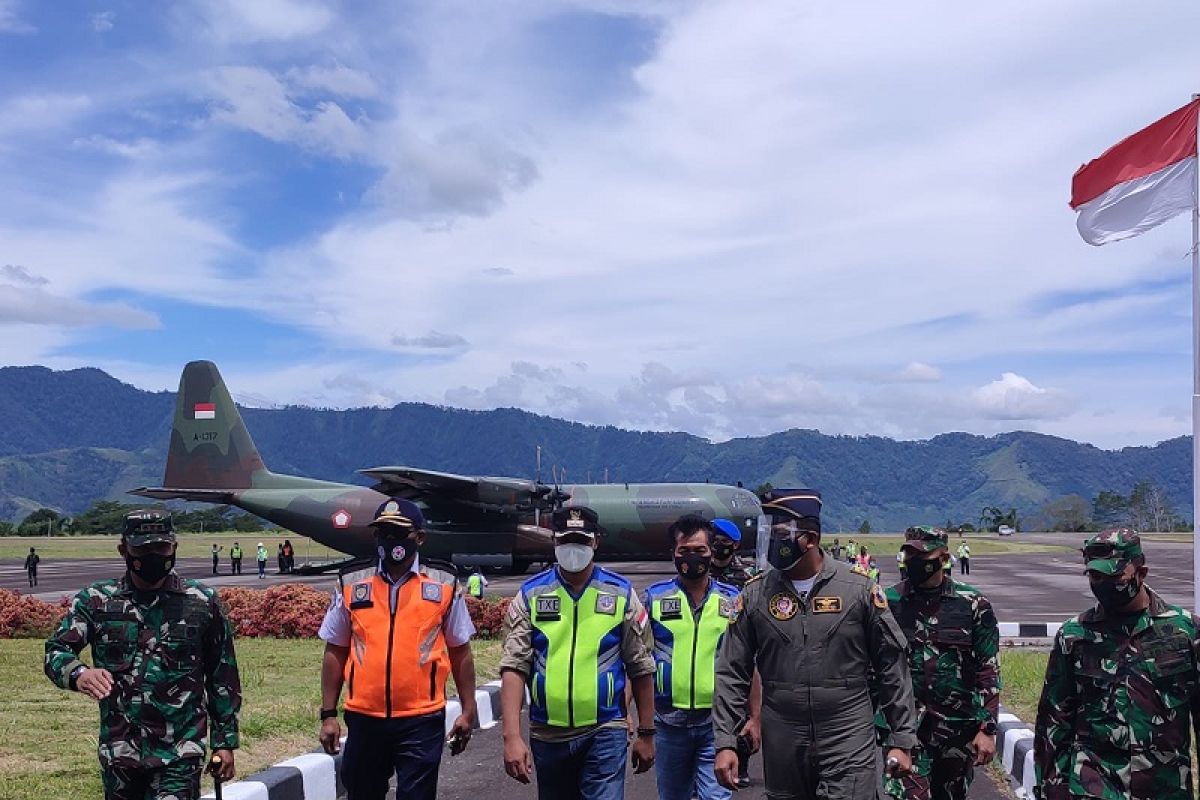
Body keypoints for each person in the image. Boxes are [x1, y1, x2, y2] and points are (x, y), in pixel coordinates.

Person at [712, 488, 917, 799]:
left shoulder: (858, 589)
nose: (772, 542)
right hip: (783, 736)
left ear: (809, 538)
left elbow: (892, 666)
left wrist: (902, 738)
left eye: (781, 532)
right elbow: (730, 670)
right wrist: (725, 741)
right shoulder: (755, 595)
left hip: (846, 729)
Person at [44, 509, 241, 799]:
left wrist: (225, 742)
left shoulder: (200, 603)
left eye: (161, 547)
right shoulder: (97, 601)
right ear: (123, 550)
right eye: (143, 548)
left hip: (180, 753)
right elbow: (56, 650)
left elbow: (221, 675)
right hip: (119, 753)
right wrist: (79, 674)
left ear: (174, 546)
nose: (153, 555)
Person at [317, 498, 478, 800]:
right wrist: (328, 714)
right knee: (362, 793)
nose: (390, 540)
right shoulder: (352, 582)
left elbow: (460, 650)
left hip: (421, 719)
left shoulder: (444, 582)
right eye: (383, 532)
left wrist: (468, 710)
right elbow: (336, 649)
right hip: (365, 718)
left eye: (399, 532)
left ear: (420, 538)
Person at [499, 505, 657, 800]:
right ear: (554, 542)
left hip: (605, 729)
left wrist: (647, 733)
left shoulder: (621, 594)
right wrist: (511, 737)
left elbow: (642, 666)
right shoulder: (531, 595)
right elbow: (514, 665)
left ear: (596, 541)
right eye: (566, 541)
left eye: (582, 541)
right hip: (547, 734)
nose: (574, 548)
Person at [1034, 529, 1200, 800]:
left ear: (1141, 573)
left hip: (1165, 788)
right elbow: (1054, 721)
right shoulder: (1075, 636)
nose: (1104, 585)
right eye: (1096, 577)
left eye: (1115, 577)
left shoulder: (1185, 632)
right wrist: (1050, 789)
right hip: (1095, 788)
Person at [882, 526, 999, 800]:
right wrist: (885, 731)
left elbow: (988, 668)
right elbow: (878, 671)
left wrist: (987, 728)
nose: (914, 563)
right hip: (906, 729)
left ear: (943, 559)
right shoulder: (889, 603)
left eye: (922, 557)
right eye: (909, 555)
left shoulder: (972, 604)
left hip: (957, 729)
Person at [644, 515, 740, 800]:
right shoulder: (654, 599)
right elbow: (638, 662)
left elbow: (748, 663)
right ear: (672, 553)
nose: (692, 557)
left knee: (716, 796)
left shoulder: (732, 601)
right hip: (668, 722)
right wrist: (634, 722)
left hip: (717, 722)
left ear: (712, 552)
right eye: (684, 550)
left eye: (700, 550)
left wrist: (755, 717)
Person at [710, 517, 762, 788]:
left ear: (735, 546)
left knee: (741, 710)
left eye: (724, 544)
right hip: (709, 650)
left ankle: (741, 764)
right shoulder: (701, 571)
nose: (718, 548)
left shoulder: (747, 577)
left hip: (741, 650)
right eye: (715, 542)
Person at [710, 518, 756, 589]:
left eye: (724, 541)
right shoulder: (703, 567)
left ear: (735, 545)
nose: (718, 545)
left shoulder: (749, 570)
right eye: (714, 540)